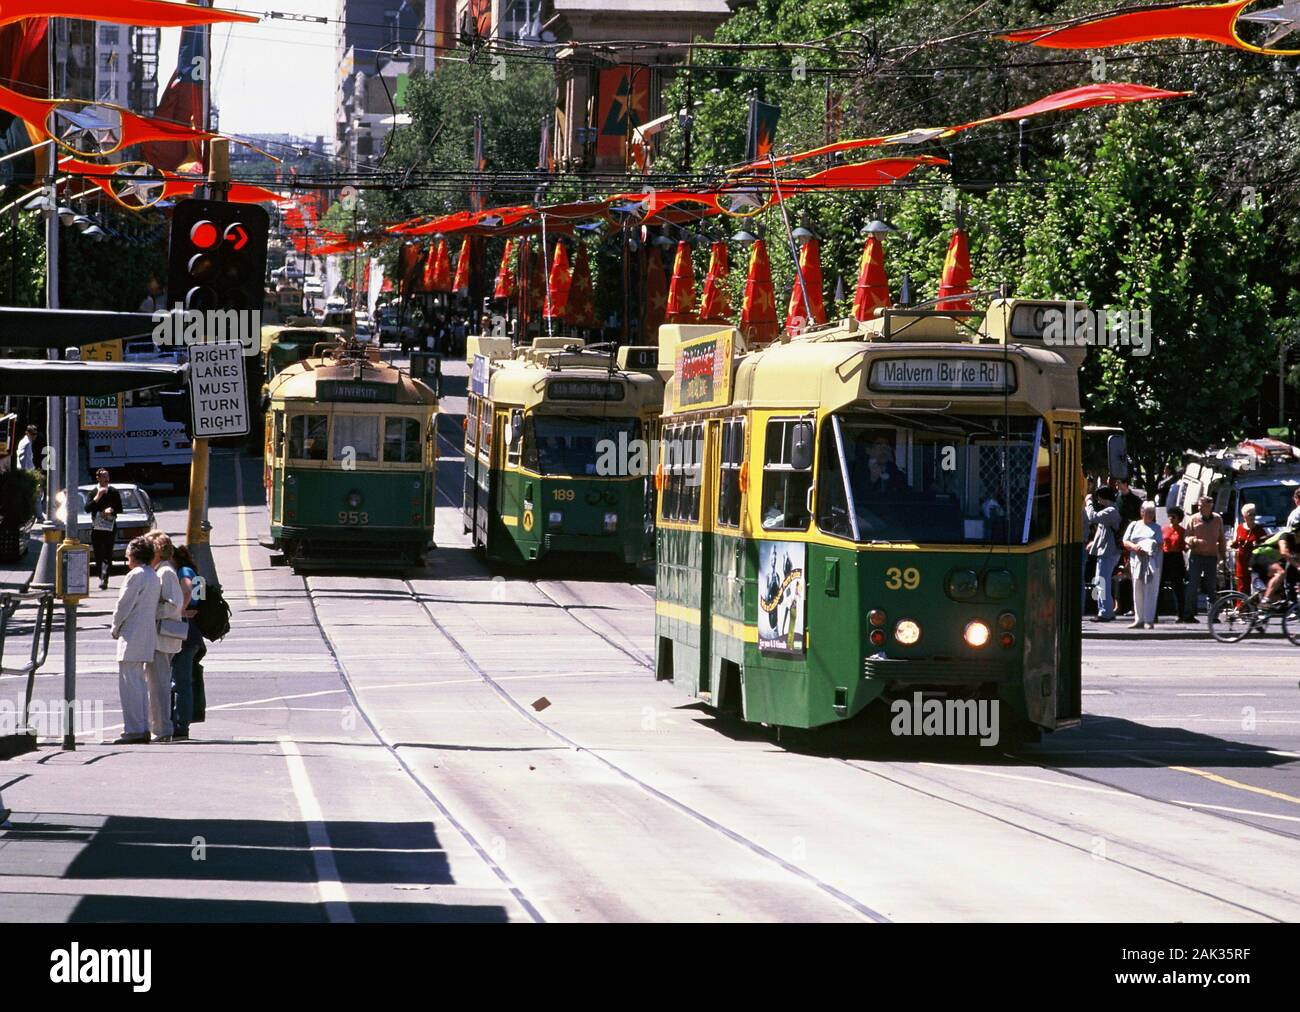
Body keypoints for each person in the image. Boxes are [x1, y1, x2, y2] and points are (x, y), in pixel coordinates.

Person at [111, 537, 159, 745]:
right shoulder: (152, 575)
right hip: (146, 635)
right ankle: (142, 727)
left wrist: (115, 627)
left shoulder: (135, 576)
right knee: (140, 684)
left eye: (128, 554)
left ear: (134, 555)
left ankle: (134, 729)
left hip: (132, 635)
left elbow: (124, 605)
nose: (126, 558)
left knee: (129, 686)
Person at [145, 531, 184, 743]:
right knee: (155, 683)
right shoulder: (160, 571)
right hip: (158, 636)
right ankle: (158, 728)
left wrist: (148, 610)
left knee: (158, 685)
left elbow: (173, 604)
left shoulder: (165, 573)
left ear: (157, 551)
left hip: (161, 637)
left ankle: (161, 729)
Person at [170, 544, 207, 741]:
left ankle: (180, 725)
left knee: (180, 681)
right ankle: (181, 721)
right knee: (183, 680)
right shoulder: (193, 570)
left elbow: (187, 589)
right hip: (193, 630)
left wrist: (179, 610)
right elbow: (199, 598)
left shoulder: (183, 571)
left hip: (184, 631)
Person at [1183, 496, 1226, 622]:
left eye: (1202, 505)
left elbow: (1221, 538)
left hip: (1212, 557)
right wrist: (1193, 540)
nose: (1199, 507)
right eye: (1199, 505)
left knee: (1211, 587)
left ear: (1209, 506)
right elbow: (1186, 537)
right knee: (1193, 586)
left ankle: (1213, 615)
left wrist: (1222, 556)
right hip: (1196, 556)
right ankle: (1189, 615)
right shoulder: (1193, 519)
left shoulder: (1217, 519)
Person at [1122, 501, 1164, 629]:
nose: (1150, 514)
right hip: (1137, 560)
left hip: (1151, 561)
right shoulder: (1134, 525)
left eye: (1152, 512)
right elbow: (1125, 541)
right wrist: (1135, 547)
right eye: (1148, 512)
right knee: (1137, 589)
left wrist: (1148, 547)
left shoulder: (1156, 527)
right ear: (1142, 512)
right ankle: (1139, 619)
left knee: (1151, 590)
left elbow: (1160, 545)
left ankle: (1149, 620)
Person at [1085, 486, 1123, 622]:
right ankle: (1103, 610)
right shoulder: (1110, 511)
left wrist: (1088, 502)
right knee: (1100, 581)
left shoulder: (1111, 511)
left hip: (1108, 552)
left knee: (1102, 582)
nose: (1098, 501)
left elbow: (1092, 517)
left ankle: (1105, 612)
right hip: (1105, 551)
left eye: (1099, 498)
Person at [86, 469, 123, 590]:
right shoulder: (93, 492)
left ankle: (104, 579)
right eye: (104, 477)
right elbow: (87, 508)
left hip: (109, 527)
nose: (107, 479)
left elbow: (119, 508)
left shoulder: (113, 492)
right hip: (97, 527)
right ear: (98, 478)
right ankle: (100, 575)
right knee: (98, 554)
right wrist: (98, 496)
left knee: (107, 553)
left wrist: (111, 510)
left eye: (108, 476)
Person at [1231, 504, 1265, 596]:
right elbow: (1237, 542)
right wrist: (1230, 544)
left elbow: (1264, 544)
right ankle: (1242, 608)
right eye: (1250, 514)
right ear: (1244, 516)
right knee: (1242, 586)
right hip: (1242, 562)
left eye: (1254, 514)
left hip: (1254, 561)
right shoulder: (1240, 528)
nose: (1253, 517)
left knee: (1256, 586)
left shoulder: (1259, 529)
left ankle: (1255, 608)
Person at [1162, 506, 1189, 621]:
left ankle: (1180, 614)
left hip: (1176, 557)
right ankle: (1155, 614)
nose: (1171, 518)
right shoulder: (1163, 529)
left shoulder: (1182, 531)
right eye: (1170, 516)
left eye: (1174, 517)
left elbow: (1185, 547)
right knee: (1159, 585)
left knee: (1177, 587)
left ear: (1179, 518)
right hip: (1165, 557)